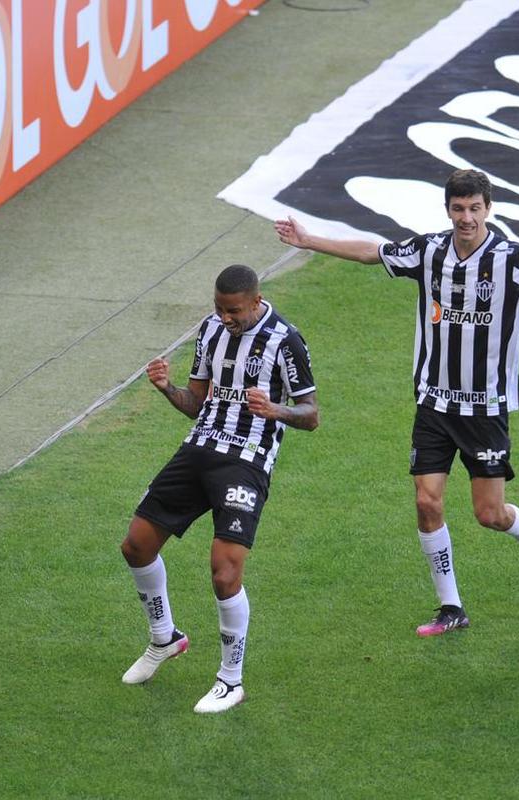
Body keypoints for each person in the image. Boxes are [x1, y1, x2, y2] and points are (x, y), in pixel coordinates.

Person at [274, 168, 519, 636]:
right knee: (426, 502)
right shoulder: (429, 251)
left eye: (474, 209)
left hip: (485, 409)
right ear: (448, 209)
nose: (466, 218)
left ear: (488, 209)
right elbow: (372, 251)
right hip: (434, 404)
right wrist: (309, 240)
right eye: (458, 209)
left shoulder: (512, 260)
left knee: (490, 514)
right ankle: (451, 607)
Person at [119, 264, 319, 713]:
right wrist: (167, 388)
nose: (225, 318)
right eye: (219, 308)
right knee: (136, 545)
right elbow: (196, 403)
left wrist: (275, 411)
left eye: (233, 311)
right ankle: (164, 638)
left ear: (255, 301)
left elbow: (311, 414)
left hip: (246, 462)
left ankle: (231, 679)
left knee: (225, 573)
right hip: (199, 449)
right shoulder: (210, 330)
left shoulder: (286, 340)